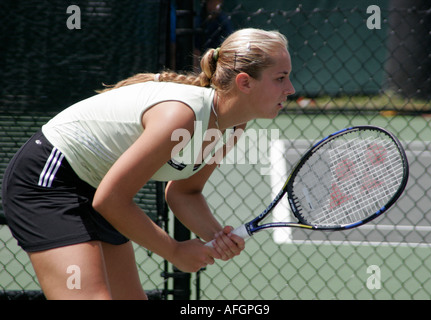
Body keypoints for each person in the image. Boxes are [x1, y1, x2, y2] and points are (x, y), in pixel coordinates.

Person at [1, 28, 295, 299]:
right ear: (244, 82)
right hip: (48, 179)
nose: (291, 88)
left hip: (94, 185)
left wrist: (216, 236)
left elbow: (184, 192)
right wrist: (175, 251)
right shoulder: (181, 116)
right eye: (280, 78)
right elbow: (111, 199)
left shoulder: (233, 125)